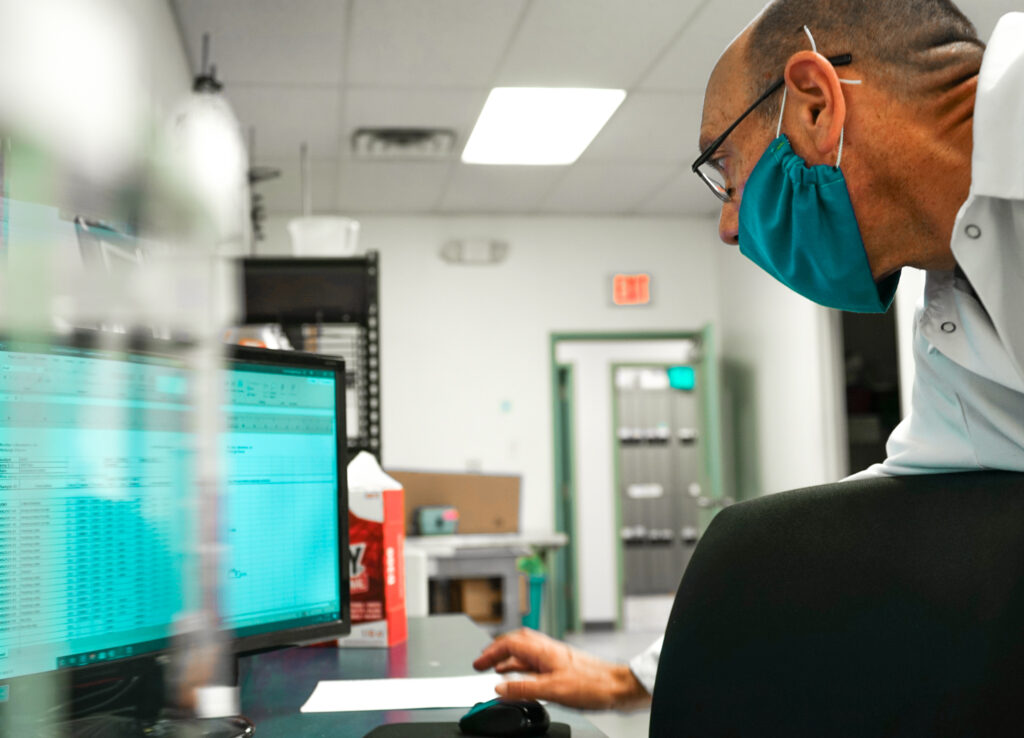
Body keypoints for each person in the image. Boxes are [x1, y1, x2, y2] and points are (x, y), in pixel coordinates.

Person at [474, 0, 1024, 710]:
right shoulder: (959, 320)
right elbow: (885, 527)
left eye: (725, 167)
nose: (730, 225)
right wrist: (630, 678)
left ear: (816, 104)